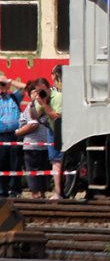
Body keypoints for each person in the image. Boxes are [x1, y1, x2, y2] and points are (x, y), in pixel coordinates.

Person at [15, 80, 50, 199]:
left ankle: (38, 194)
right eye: (33, 92)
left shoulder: (34, 106)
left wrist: (18, 133)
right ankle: (39, 193)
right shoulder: (37, 105)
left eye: (38, 92)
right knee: (39, 170)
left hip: (34, 143)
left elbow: (32, 125)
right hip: (38, 143)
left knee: (35, 171)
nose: (36, 94)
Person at [36, 66, 63, 199]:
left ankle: (63, 191)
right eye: (38, 91)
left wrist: (45, 105)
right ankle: (58, 192)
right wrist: (38, 103)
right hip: (52, 131)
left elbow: (56, 117)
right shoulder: (41, 99)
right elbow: (36, 116)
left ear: (48, 88)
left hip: (63, 130)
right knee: (55, 162)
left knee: (62, 161)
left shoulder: (58, 97)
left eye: (43, 91)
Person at [0, 75, 25, 198]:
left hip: (14, 135)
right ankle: (2, 191)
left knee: (15, 164)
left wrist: (9, 81)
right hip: (0, 136)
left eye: (4, 85)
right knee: (1, 164)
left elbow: (25, 88)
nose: (2, 87)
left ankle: (15, 191)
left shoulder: (14, 97)